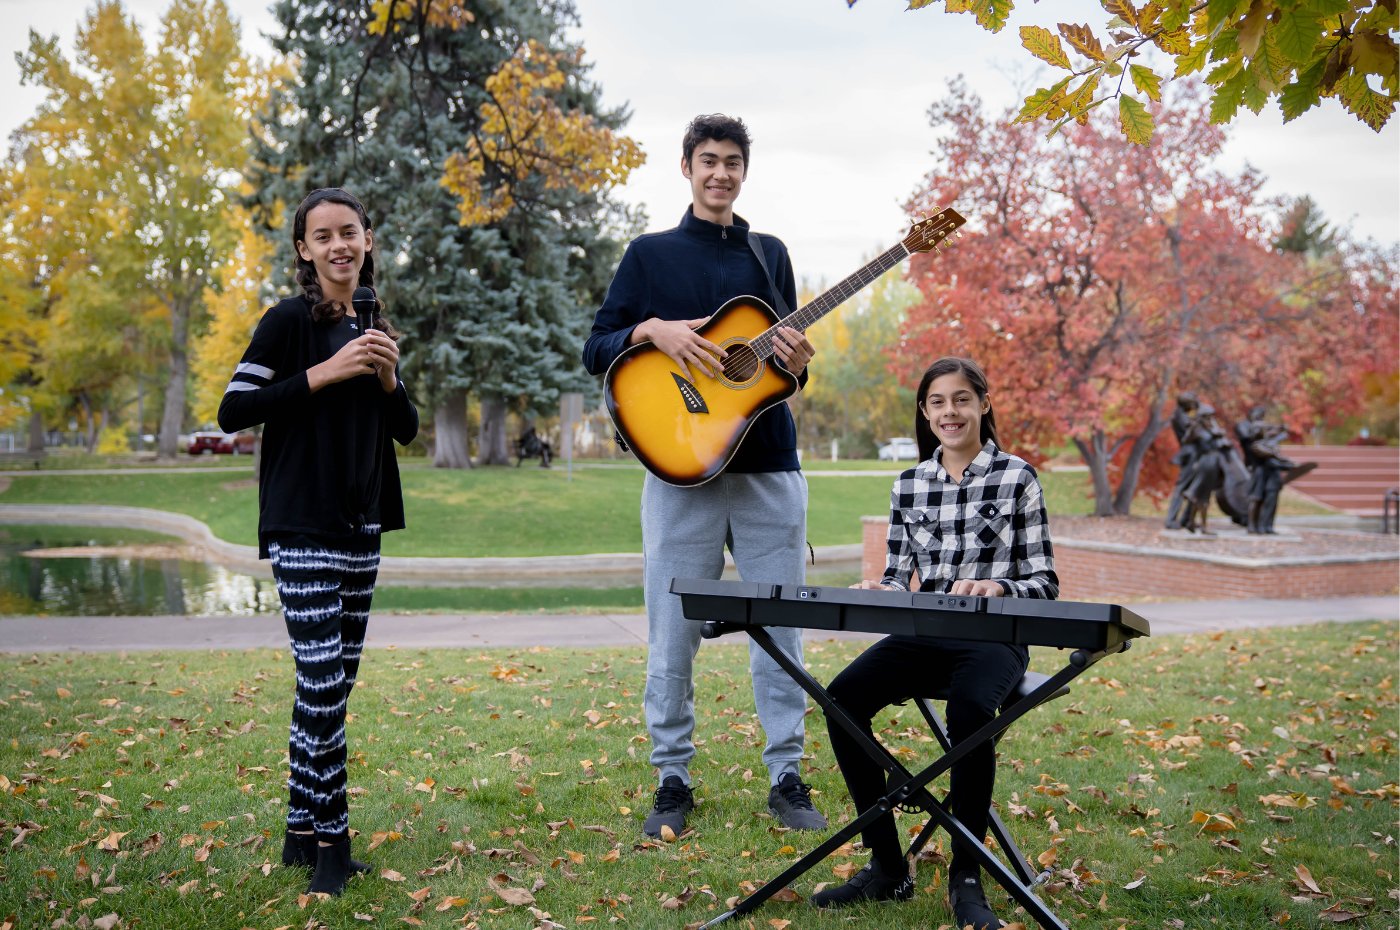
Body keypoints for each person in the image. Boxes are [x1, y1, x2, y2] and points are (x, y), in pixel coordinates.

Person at [581, 114, 826, 838]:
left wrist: (796, 365)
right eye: (708, 161)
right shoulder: (649, 255)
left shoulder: (768, 253)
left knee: (781, 626)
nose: (721, 174)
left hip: (767, 466)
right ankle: (672, 780)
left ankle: (786, 775)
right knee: (670, 629)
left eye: (733, 163)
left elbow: (774, 376)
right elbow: (598, 345)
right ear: (686, 167)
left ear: (745, 171)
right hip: (678, 467)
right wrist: (651, 331)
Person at [218, 187, 419, 896]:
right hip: (302, 520)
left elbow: (405, 429)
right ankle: (333, 841)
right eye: (323, 235)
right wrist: (325, 373)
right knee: (324, 685)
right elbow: (234, 409)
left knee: (329, 691)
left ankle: (297, 833)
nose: (340, 245)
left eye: (350, 232)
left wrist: (388, 376)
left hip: (363, 524)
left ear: (367, 241)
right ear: (305, 249)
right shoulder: (287, 322)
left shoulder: (375, 323)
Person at [812, 356, 1057, 930]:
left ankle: (966, 877)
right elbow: (900, 574)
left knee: (971, 707)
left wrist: (998, 584)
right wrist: (881, 587)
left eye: (962, 399)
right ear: (925, 412)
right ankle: (887, 866)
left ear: (984, 403)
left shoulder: (1018, 476)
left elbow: (1045, 584)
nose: (951, 412)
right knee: (841, 698)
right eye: (938, 402)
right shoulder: (909, 483)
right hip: (925, 634)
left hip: (996, 637)